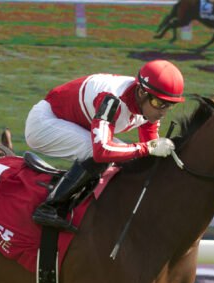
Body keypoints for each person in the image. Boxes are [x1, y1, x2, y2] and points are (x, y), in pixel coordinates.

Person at [25, 59, 184, 232]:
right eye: (159, 103)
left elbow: (148, 151)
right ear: (140, 92)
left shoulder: (147, 107)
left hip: (74, 124)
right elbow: (102, 152)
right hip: (44, 123)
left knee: (125, 157)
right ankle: (50, 207)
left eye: (170, 105)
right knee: (99, 153)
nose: (163, 112)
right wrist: (149, 148)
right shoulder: (111, 100)